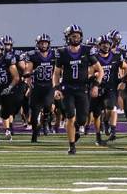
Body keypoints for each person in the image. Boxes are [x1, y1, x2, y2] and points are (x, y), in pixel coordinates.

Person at [53, 24, 103, 155]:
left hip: (82, 88)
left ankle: (75, 131)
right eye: (73, 36)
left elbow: (100, 70)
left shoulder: (87, 50)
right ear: (68, 37)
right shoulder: (62, 52)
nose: (76, 38)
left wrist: (96, 85)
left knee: (82, 119)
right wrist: (56, 89)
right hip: (67, 88)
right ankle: (72, 145)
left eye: (78, 36)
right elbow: (56, 73)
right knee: (70, 116)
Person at [23, 34, 57, 143]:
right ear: (37, 44)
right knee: (34, 114)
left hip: (49, 85)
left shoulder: (54, 55)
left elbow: (59, 69)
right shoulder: (33, 55)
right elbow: (28, 68)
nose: (43, 45)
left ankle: (46, 121)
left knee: (47, 105)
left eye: (45, 43)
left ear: (49, 44)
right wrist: (29, 73)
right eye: (41, 43)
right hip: (37, 86)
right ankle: (34, 133)